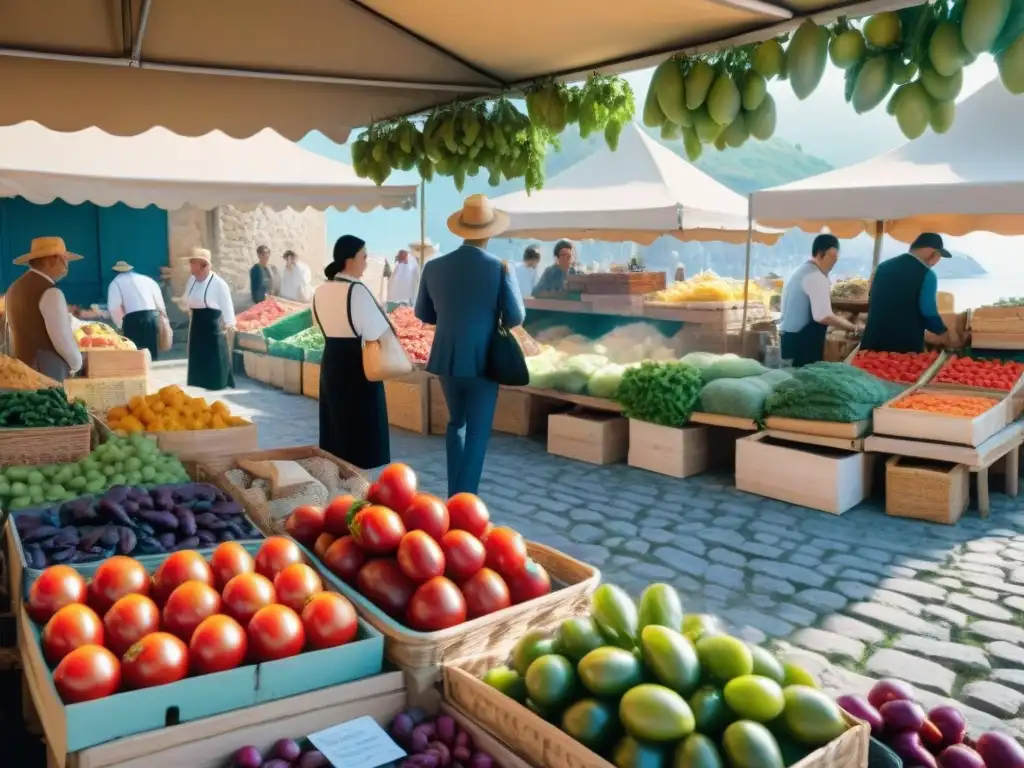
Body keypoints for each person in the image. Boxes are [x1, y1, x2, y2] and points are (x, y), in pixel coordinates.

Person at [415, 195, 525, 496]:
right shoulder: (500, 268)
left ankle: (455, 493)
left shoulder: (433, 267)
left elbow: (423, 314)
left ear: (462, 229)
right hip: (483, 359)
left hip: (446, 357)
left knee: (455, 424)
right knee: (478, 431)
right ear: (489, 232)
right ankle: (463, 500)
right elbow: (515, 316)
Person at [313, 235, 391, 469]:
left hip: (331, 362)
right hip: (358, 366)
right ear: (350, 259)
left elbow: (318, 325)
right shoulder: (357, 291)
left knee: (336, 429)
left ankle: (338, 482)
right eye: (363, 257)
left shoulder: (321, 290)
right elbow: (376, 331)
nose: (366, 263)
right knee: (362, 433)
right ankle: (359, 487)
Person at [861, 232, 958, 353]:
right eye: (938, 255)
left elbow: (873, 298)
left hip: (872, 340)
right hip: (905, 345)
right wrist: (942, 331)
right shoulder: (926, 275)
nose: (938, 260)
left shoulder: (882, 267)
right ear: (930, 251)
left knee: (867, 369)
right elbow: (928, 311)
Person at [5, 236, 83, 381]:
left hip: (21, 369)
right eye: (63, 258)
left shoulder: (13, 288)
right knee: (50, 404)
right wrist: (77, 363)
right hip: (48, 373)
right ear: (50, 259)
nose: (66, 265)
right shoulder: (51, 292)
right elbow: (61, 340)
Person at [778, 234, 858, 367]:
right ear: (821, 254)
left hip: (788, 338)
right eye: (833, 257)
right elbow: (823, 316)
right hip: (801, 344)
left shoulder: (800, 271)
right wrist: (851, 327)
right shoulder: (816, 276)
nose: (834, 262)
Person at [181, 248, 236, 390]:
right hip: (197, 320)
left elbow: (227, 303)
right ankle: (198, 380)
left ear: (203, 265)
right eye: (191, 262)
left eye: (194, 262)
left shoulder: (218, 283)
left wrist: (230, 323)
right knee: (198, 352)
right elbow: (187, 297)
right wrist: (185, 306)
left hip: (212, 321)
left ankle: (217, 382)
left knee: (214, 353)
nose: (191, 265)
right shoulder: (191, 280)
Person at [107, 260, 167, 361]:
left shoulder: (115, 283)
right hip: (152, 317)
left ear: (116, 271)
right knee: (151, 351)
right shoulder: (146, 279)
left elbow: (114, 307)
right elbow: (159, 300)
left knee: (135, 352)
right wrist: (163, 316)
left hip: (132, 319)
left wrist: (119, 325)